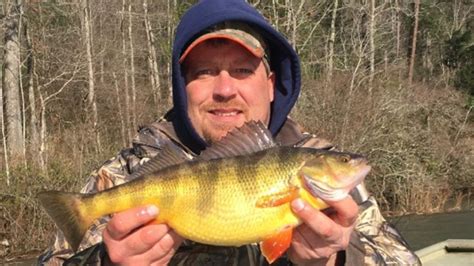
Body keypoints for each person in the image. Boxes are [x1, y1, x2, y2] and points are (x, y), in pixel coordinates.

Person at [38, 0, 420, 265]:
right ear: (181, 86)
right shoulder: (126, 172)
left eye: (241, 71)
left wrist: (337, 259)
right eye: (204, 72)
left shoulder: (326, 172)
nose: (224, 89)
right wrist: (108, 264)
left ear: (271, 84)